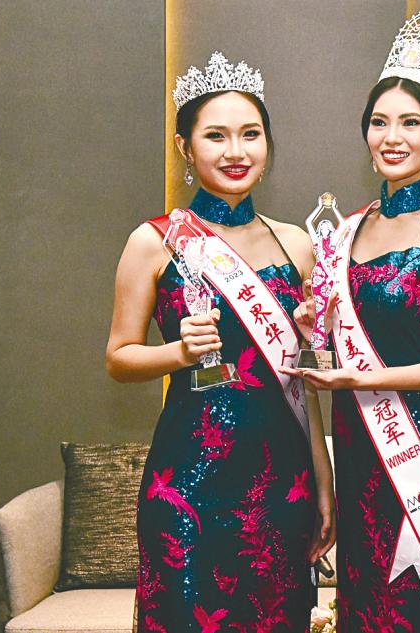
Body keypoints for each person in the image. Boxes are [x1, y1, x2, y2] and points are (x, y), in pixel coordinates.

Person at [106, 52, 334, 633]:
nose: (236, 151)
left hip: (282, 484)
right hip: (188, 478)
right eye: (216, 135)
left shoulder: (297, 246)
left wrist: (324, 483)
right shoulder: (154, 241)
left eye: (250, 135)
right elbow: (119, 357)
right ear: (186, 147)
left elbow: (301, 381)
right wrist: (177, 354)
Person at [287, 6, 420, 632]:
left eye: (411, 122)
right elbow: (334, 338)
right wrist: (310, 332)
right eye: (379, 122)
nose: (391, 137)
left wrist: (356, 380)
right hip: (357, 444)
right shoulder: (345, 231)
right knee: (366, 599)